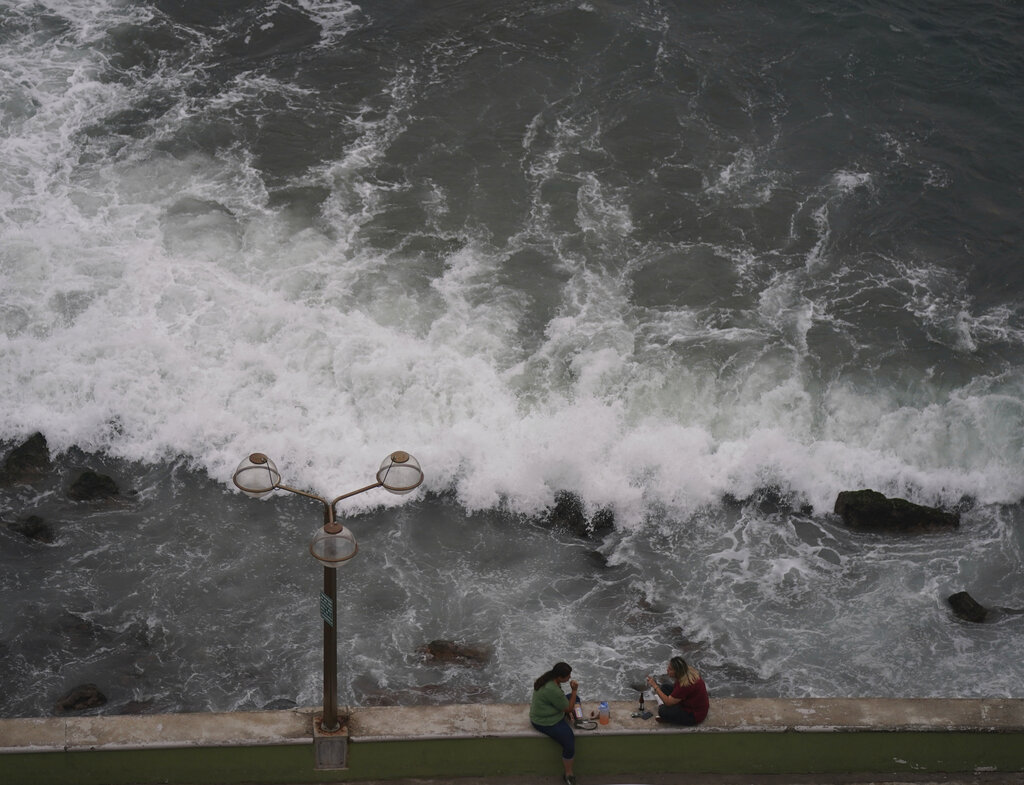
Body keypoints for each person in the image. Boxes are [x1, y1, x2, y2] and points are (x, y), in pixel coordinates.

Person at [529, 661, 579, 785]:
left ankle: (573, 716)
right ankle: (568, 773)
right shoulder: (552, 690)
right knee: (569, 742)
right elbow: (568, 708)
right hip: (545, 721)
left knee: (576, 700)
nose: (570, 677)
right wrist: (574, 690)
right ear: (560, 677)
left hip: (551, 710)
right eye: (568, 675)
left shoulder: (550, 678)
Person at [645, 655, 709, 726]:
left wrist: (655, 686)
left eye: (670, 669)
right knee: (664, 688)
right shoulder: (687, 671)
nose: (667, 670)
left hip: (694, 715)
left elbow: (668, 702)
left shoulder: (685, 685)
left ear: (677, 672)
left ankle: (665, 710)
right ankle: (669, 709)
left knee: (662, 711)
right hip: (690, 702)